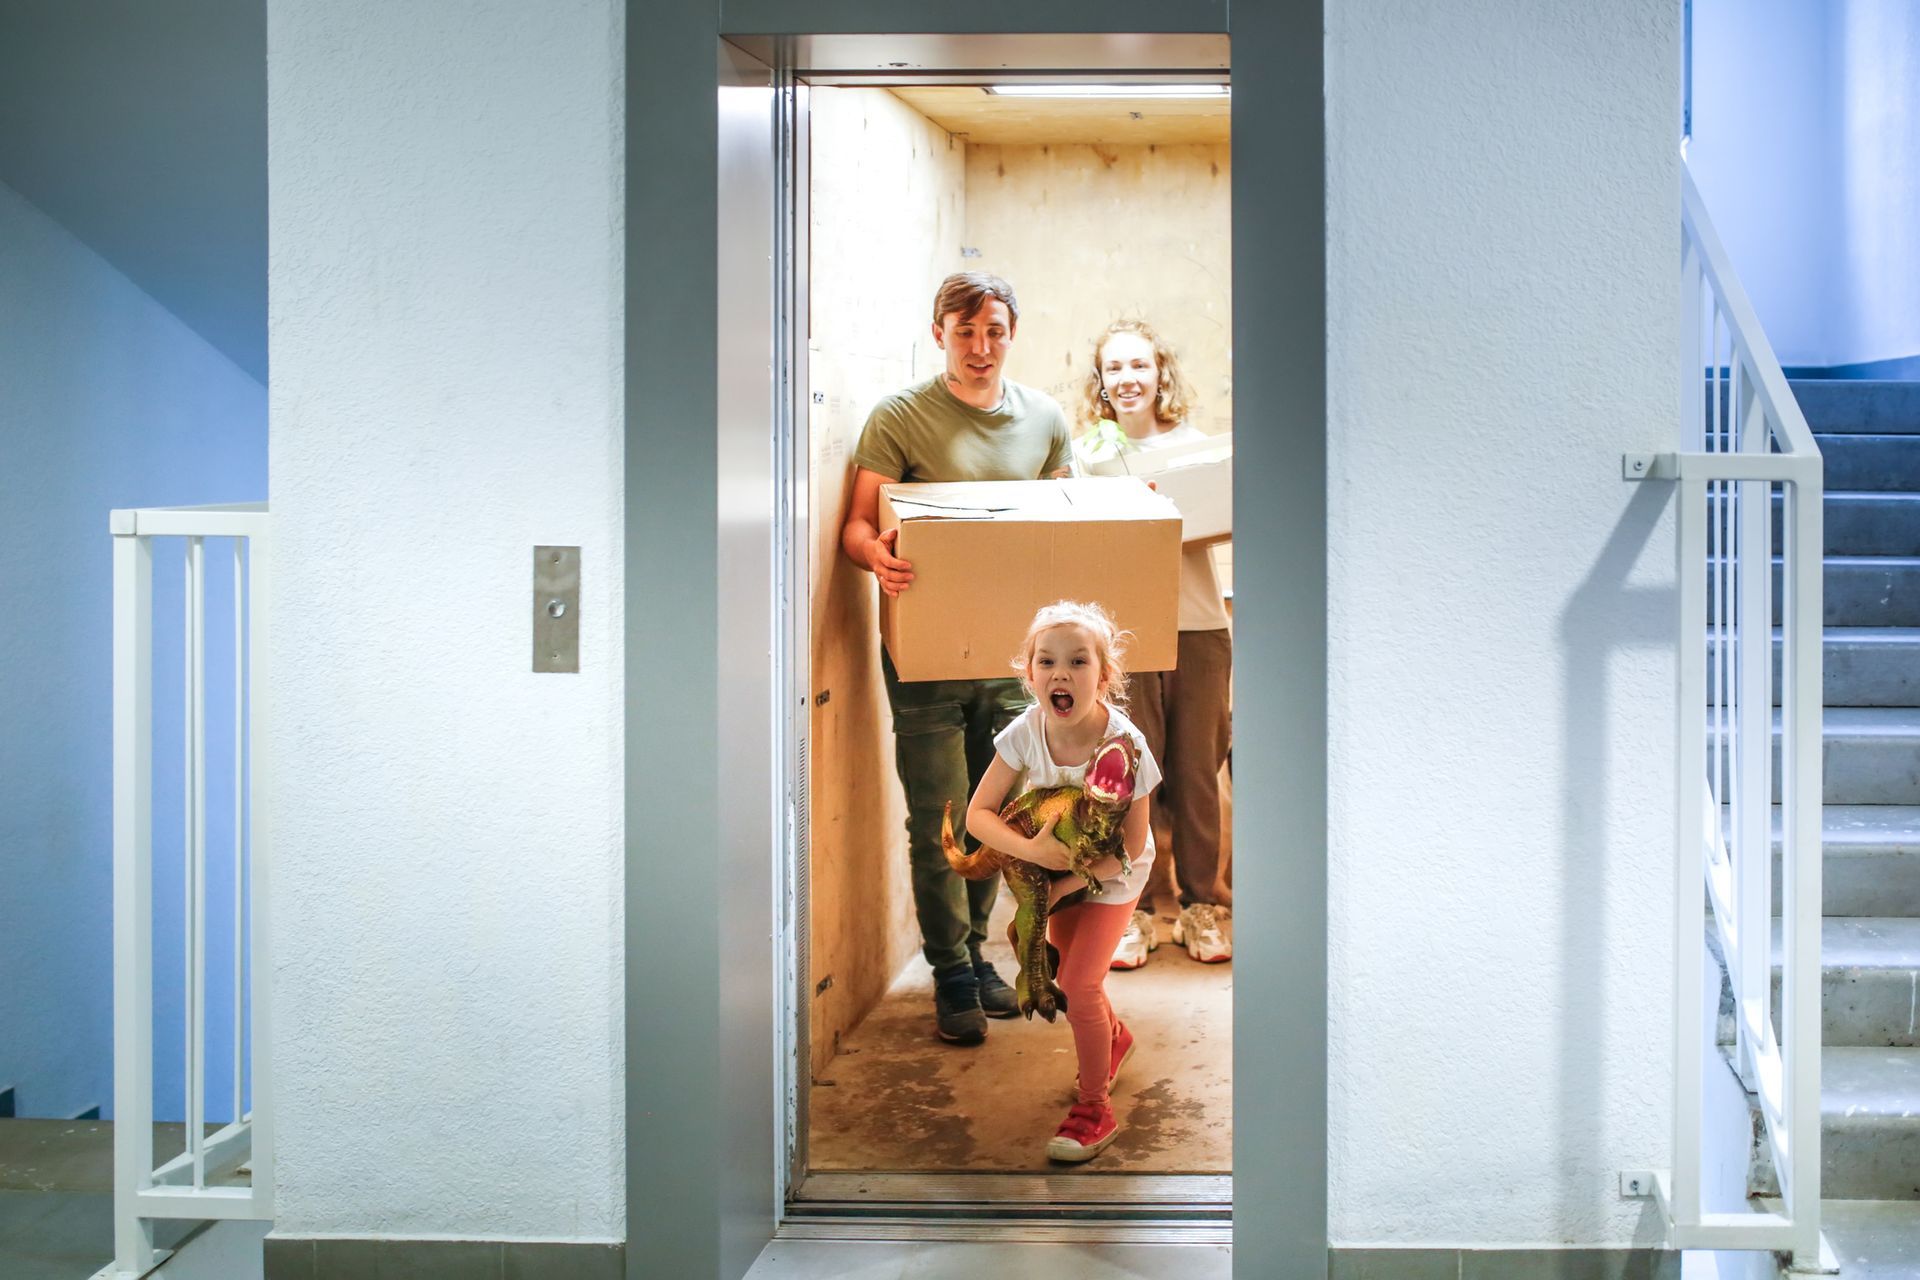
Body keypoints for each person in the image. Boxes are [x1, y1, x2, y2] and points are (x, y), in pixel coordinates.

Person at [840, 272, 1076, 1045]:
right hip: (927, 659)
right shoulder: (899, 417)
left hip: (1015, 664)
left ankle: (977, 958)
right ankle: (948, 973)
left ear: (1013, 333)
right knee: (936, 818)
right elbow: (854, 528)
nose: (980, 347)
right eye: (964, 330)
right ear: (938, 330)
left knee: (1000, 819)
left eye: (995, 331)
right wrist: (879, 555)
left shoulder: (1043, 418)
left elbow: (1064, 521)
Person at [963, 601, 1160, 1162]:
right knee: (1077, 981)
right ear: (1029, 675)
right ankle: (1114, 1039)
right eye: (1046, 662)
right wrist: (1030, 853)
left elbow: (1132, 846)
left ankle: (1095, 1109)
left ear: (1104, 675)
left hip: (1110, 878)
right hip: (1053, 869)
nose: (1061, 673)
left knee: (1077, 987)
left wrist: (1060, 890)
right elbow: (979, 816)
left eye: (1078, 661)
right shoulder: (1025, 731)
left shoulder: (1125, 745)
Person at [1074, 319, 1234, 967]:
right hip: (1123, 637)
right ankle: (1134, 911)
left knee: (1196, 774)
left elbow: (1221, 524)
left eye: (1139, 366)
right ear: (1101, 383)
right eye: (1115, 369)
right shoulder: (1087, 457)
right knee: (1126, 778)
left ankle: (1203, 907)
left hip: (1198, 626)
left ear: (1160, 372)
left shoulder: (1198, 451)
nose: (1128, 379)